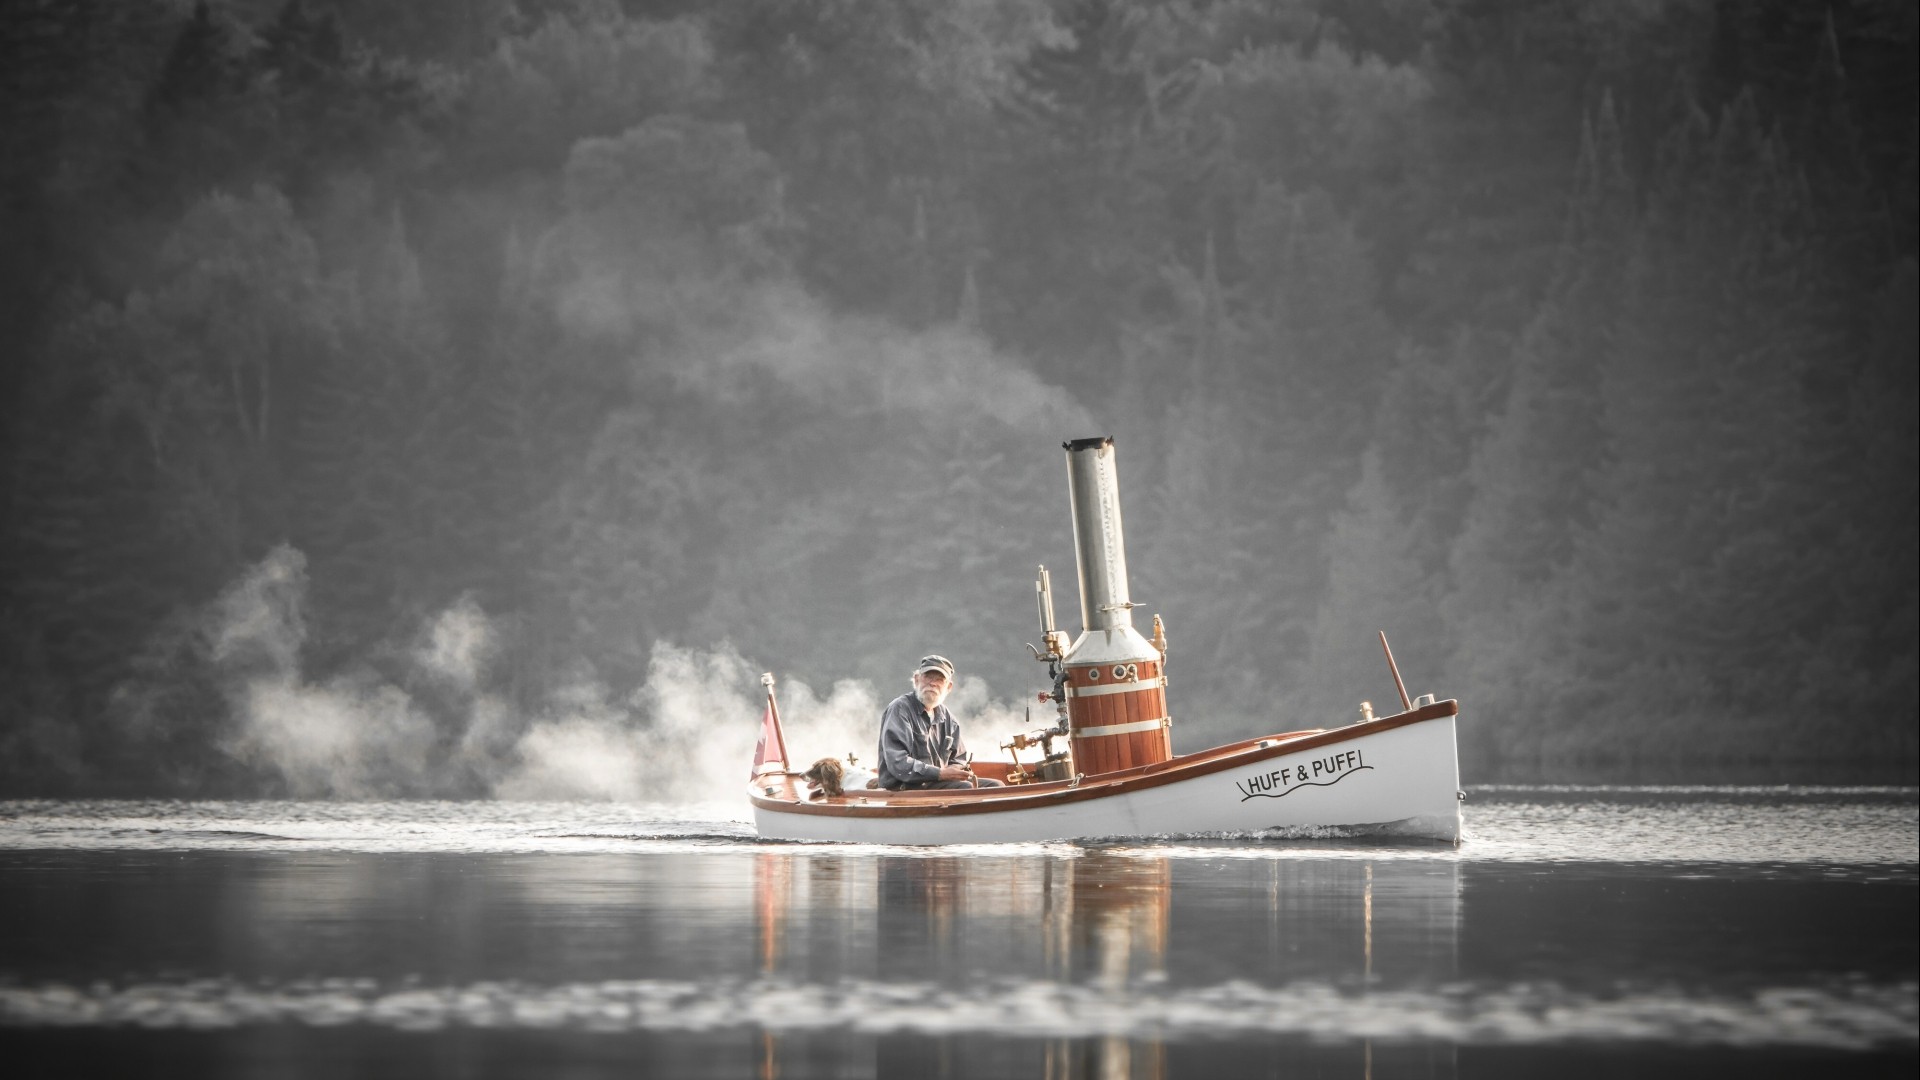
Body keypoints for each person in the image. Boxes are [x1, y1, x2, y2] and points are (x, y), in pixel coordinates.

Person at [875, 654, 1004, 790]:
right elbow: (898, 763)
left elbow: (958, 758)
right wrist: (941, 773)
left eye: (940, 679)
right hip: (904, 787)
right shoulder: (900, 709)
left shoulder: (949, 719)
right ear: (917, 679)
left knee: (996, 786)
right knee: (964, 788)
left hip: (935, 782)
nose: (933, 683)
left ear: (949, 687)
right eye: (928, 677)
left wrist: (955, 770)